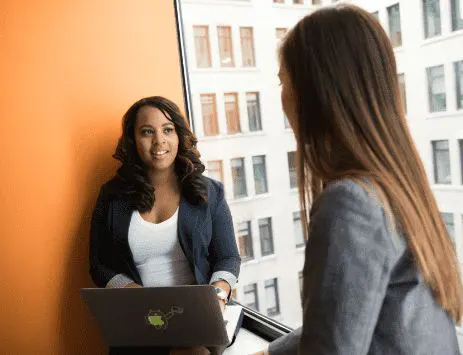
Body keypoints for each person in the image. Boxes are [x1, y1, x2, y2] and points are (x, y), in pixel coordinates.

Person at [256, 4, 462, 355]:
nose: (281, 98)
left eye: (282, 80)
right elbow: (348, 314)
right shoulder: (393, 185)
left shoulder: (348, 203)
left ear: (316, 91)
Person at [89, 96, 240, 355]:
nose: (159, 141)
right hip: (139, 319)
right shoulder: (111, 196)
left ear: (179, 135)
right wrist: (134, 293)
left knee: (194, 351)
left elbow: (228, 258)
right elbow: (98, 264)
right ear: (133, 140)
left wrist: (216, 297)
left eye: (167, 130)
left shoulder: (209, 192)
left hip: (197, 319)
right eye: (147, 132)